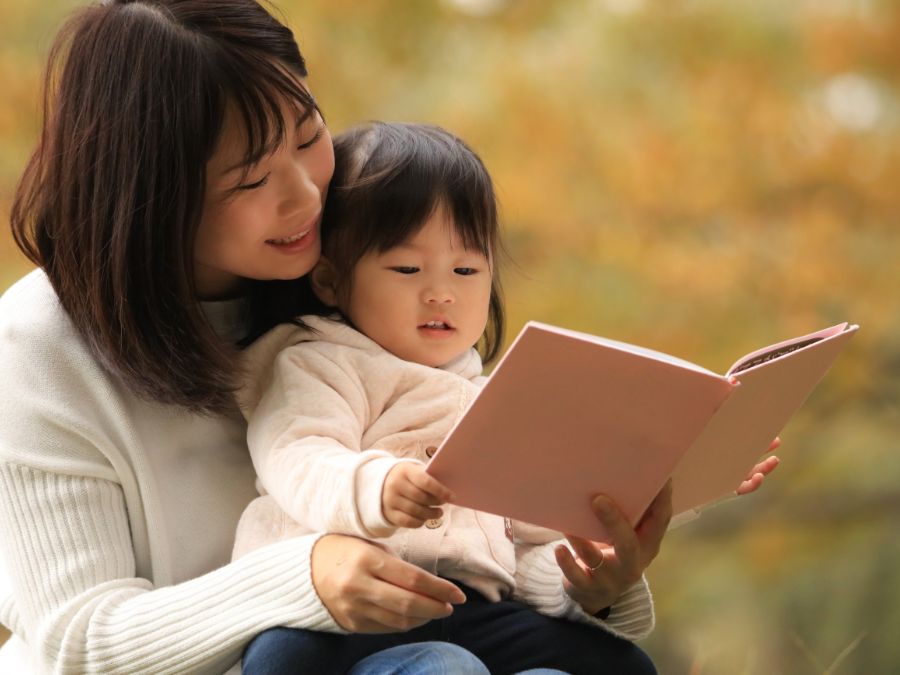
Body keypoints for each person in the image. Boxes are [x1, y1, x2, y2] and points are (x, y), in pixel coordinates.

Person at [0, 2, 500, 673]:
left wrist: (599, 581)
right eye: (251, 179)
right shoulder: (37, 347)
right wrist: (302, 578)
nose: (304, 195)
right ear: (151, 195)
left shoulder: (343, 269)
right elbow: (78, 639)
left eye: (307, 135)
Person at [231, 121, 778, 675]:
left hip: (475, 611)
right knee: (446, 666)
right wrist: (374, 486)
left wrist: (681, 484)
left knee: (622, 665)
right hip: (342, 619)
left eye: (466, 269)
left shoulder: (499, 397)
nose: (441, 291)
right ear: (329, 281)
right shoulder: (320, 360)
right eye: (407, 268)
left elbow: (540, 529)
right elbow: (296, 452)